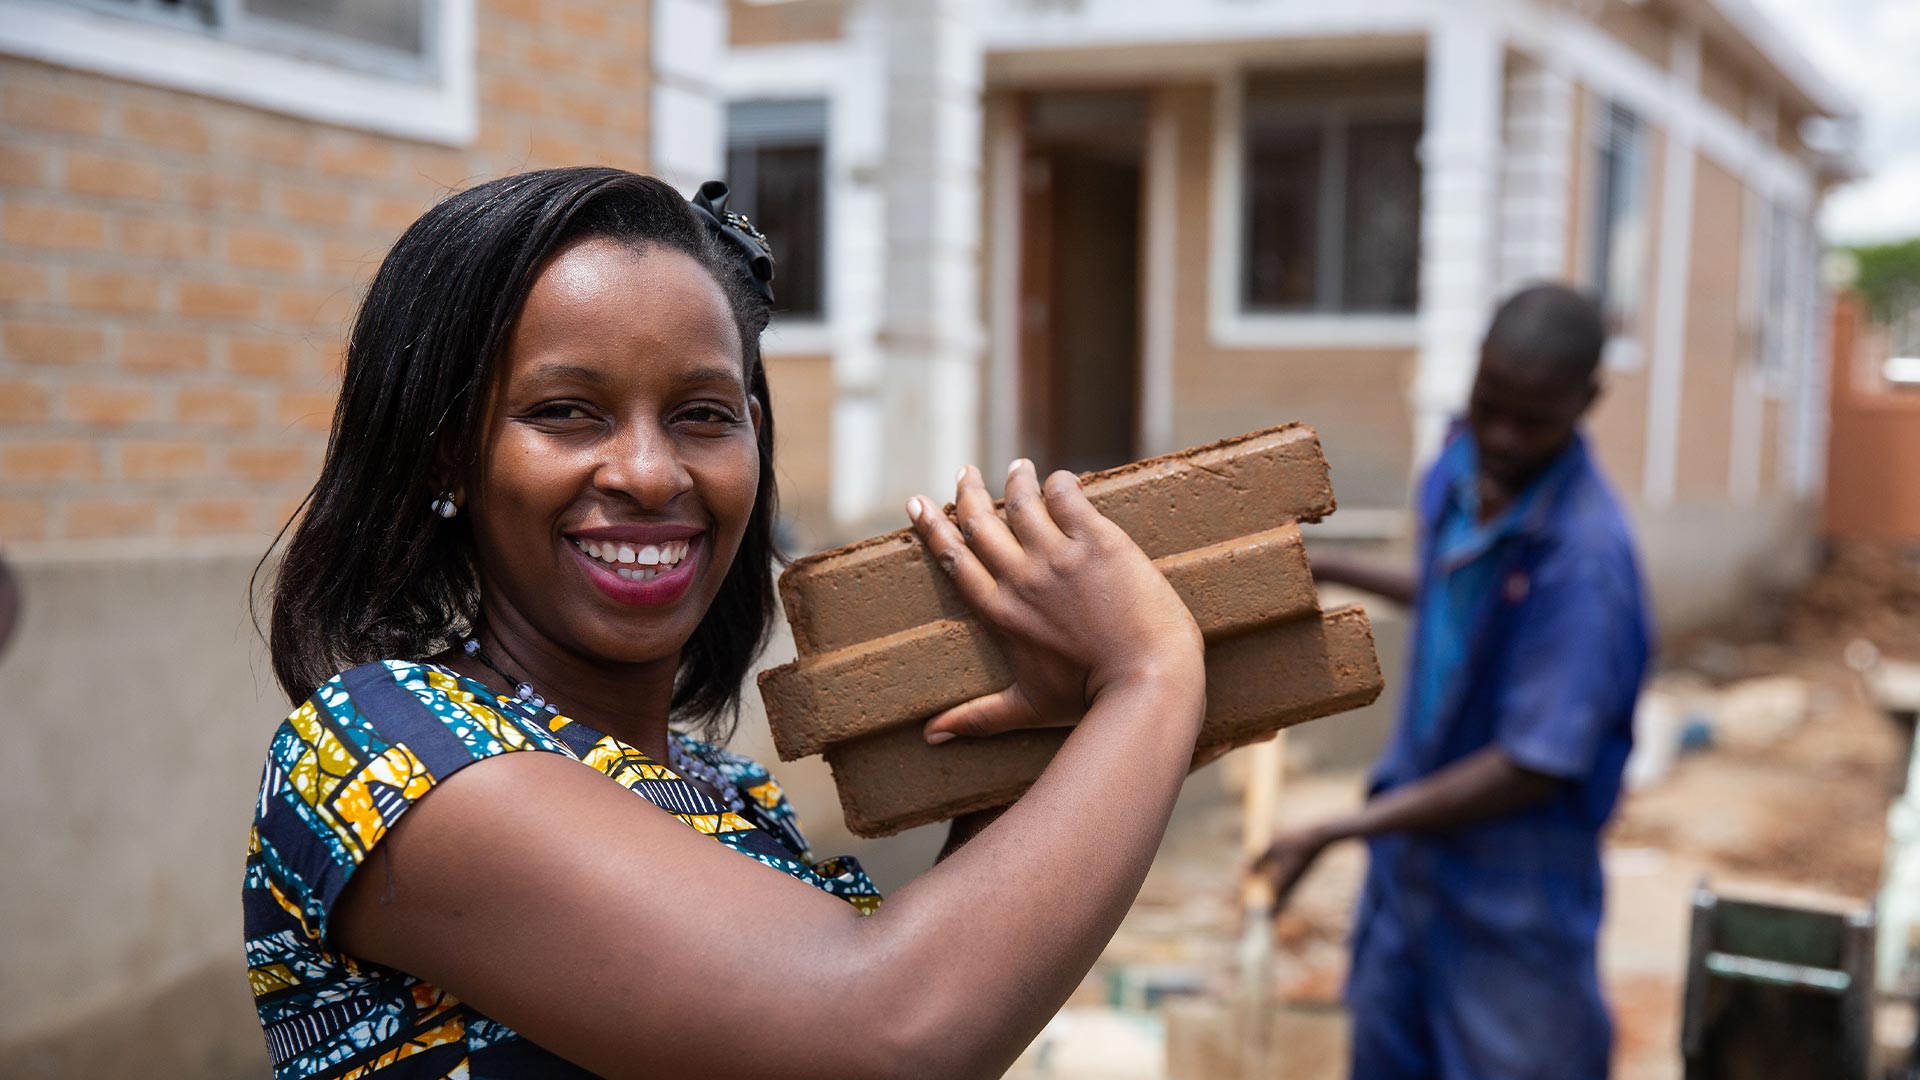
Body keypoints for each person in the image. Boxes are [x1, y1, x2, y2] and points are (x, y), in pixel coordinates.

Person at [243, 167, 1208, 1078]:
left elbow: (935, 1007)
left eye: (703, 414)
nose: (652, 473)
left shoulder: (730, 796)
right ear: (446, 456)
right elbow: (886, 1037)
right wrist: (1152, 677)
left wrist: (1031, 748)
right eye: (569, 412)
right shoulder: (380, 755)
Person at [1255, 284, 1654, 1080]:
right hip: (1412, 852)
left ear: (1587, 401)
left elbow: (1536, 762)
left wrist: (1339, 830)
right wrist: (1328, 567)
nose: (1500, 435)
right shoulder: (1461, 464)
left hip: (1514, 884)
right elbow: (1451, 592)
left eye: (1530, 419)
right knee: (1386, 1053)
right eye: (1488, 402)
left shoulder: (1585, 562)